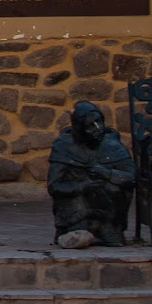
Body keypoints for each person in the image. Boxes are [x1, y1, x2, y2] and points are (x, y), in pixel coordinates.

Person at [47, 99, 136, 248]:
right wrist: (83, 186)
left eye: (99, 122)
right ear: (80, 129)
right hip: (77, 208)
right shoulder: (64, 147)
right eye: (90, 126)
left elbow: (131, 177)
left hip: (107, 207)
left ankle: (107, 227)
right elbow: (54, 186)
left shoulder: (113, 145)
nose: (98, 129)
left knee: (116, 186)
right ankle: (79, 229)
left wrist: (106, 173)